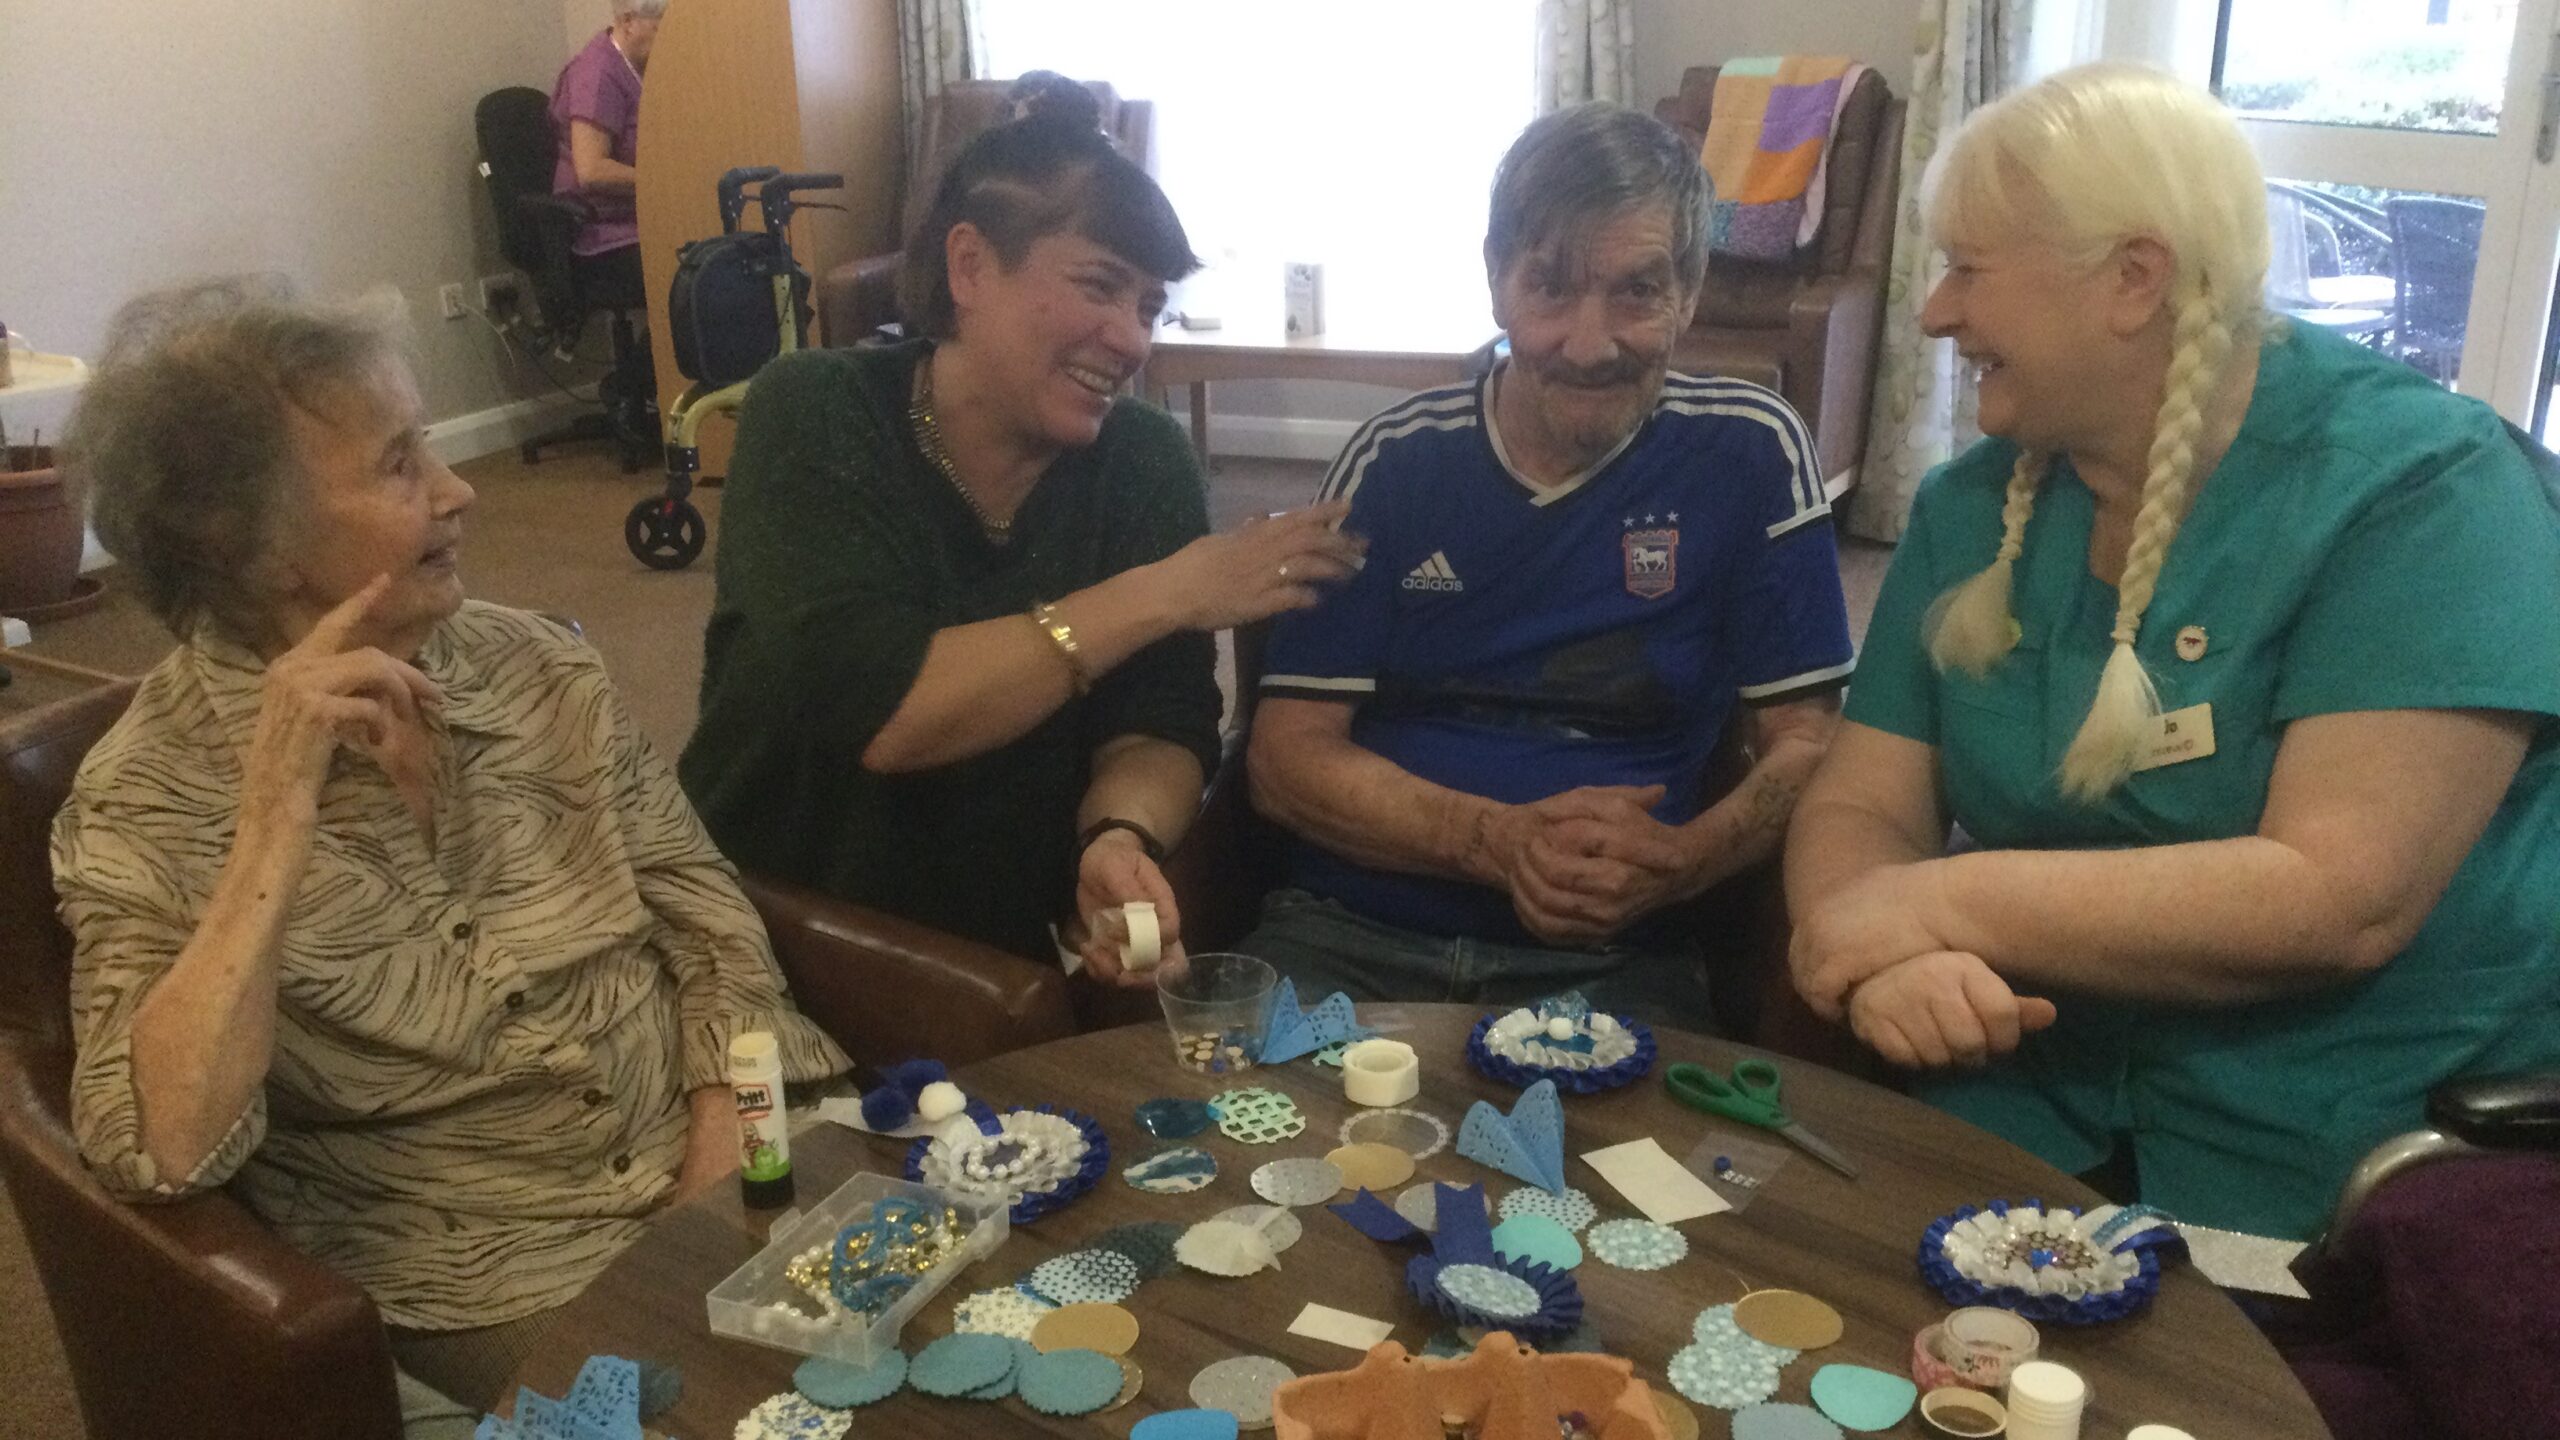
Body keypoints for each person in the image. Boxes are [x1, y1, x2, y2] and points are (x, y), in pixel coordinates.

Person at [53, 280, 848, 1429]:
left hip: (722, 1158)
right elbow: (156, 1149)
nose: (461, 489)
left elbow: (705, 918)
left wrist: (721, 1152)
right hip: (495, 1279)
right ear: (252, 546)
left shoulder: (538, 668)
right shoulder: (143, 798)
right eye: (398, 466)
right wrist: (272, 826)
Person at [1784, 64, 2560, 1239]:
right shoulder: (1970, 507)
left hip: (2348, 1163)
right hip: (2018, 1113)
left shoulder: (2423, 494)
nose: (1935, 313)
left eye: (1967, 270)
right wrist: (1880, 959)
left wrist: (1938, 904)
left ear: (2132, 280)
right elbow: (1860, 799)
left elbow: (2336, 897)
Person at [678, 115, 1362, 977]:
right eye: (1100, 286)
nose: (1132, 338)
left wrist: (1118, 834)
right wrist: (1167, 591)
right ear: (970, 266)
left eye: (1150, 306)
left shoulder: (1143, 460)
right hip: (767, 934)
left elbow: (1160, 723)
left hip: (995, 963)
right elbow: (885, 713)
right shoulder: (814, 413)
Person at [1237, 104, 1852, 1025]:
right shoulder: (1396, 461)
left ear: (1689, 292)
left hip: (1613, 958)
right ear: (1495, 283)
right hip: (1349, 931)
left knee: (1638, 1173)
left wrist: (1690, 858)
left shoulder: (1752, 452)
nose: (1589, 343)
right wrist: (1493, 841)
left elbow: (1810, 744)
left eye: (1638, 292)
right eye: (1551, 289)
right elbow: (1285, 760)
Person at [548, 0, 661, 304]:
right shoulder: (597, 72)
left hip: (642, 221)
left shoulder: (643, 70)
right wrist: (665, 181)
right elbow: (592, 171)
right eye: (659, 27)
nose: (667, 39)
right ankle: (649, 354)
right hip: (603, 232)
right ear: (628, 21)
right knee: (696, 274)